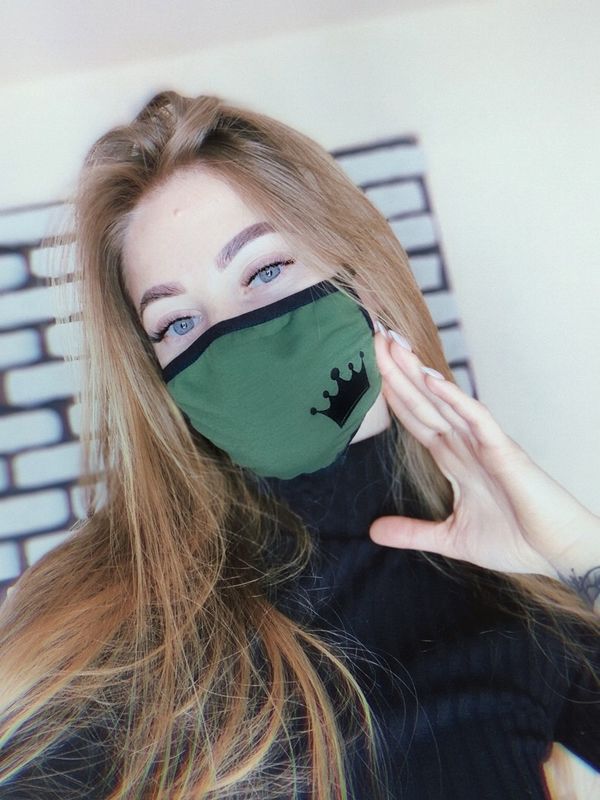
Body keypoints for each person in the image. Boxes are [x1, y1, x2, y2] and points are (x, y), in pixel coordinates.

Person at [0, 90, 598, 799]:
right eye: (178, 323)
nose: (231, 339)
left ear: (358, 269)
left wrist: (579, 559)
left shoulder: (512, 590)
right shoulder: (115, 625)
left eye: (263, 272)